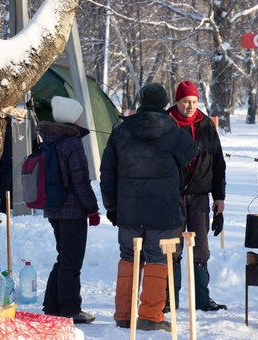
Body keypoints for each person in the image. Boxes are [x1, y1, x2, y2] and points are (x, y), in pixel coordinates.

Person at [100, 83, 197, 332]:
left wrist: (112, 208)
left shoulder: (121, 131)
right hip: (163, 212)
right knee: (157, 260)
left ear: (140, 101)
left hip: (129, 212)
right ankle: (150, 315)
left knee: (128, 257)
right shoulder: (172, 131)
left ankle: (123, 314)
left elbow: (107, 174)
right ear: (166, 104)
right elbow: (190, 154)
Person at [164, 80, 227, 312]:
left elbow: (218, 162)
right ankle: (170, 299)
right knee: (173, 248)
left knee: (201, 249)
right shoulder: (166, 124)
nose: (190, 106)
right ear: (177, 101)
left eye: (193, 101)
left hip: (200, 195)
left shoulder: (206, 125)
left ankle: (202, 298)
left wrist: (219, 197)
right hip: (173, 195)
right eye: (185, 102)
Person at [40, 96, 101, 324]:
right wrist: (92, 210)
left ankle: (52, 304)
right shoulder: (72, 143)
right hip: (72, 211)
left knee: (63, 258)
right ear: (71, 118)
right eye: (78, 114)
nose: (81, 117)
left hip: (53, 208)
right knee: (71, 262)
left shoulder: (49, 140)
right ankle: (70, 309)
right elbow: (80, 181)